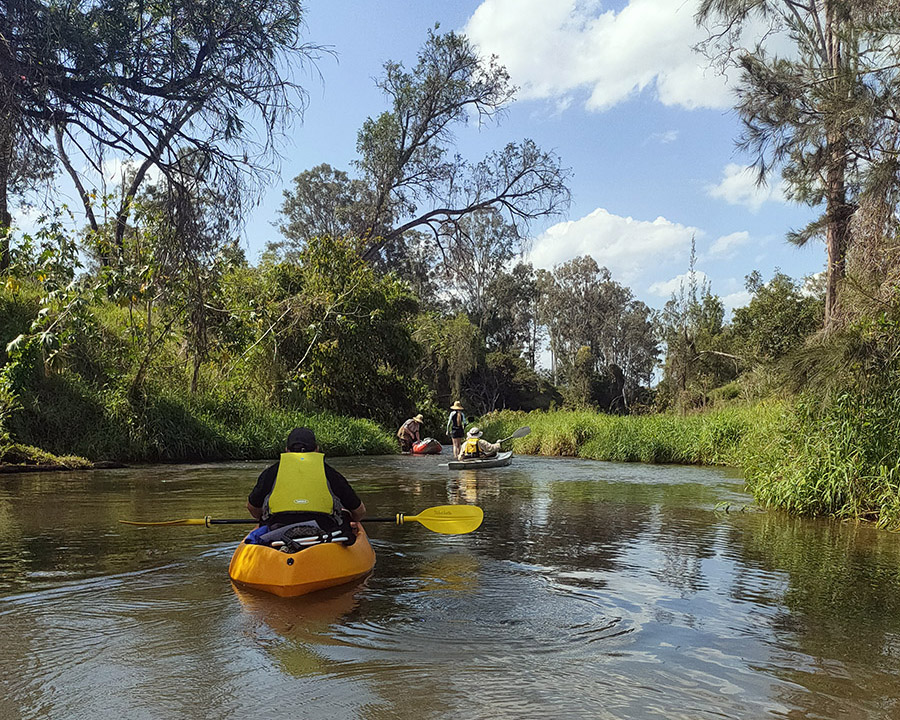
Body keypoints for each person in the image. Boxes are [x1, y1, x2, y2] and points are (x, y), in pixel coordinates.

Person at [247, 427, 366, 544]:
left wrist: (263, 518)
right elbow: (359, 511)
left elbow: (253, 508)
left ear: (287, 450)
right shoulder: (330, 473)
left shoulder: (271, 473)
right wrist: (350, 518)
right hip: (324, 533)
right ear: (317, 449)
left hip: (277, 533)